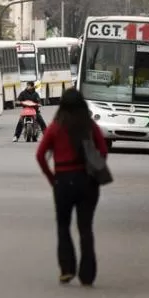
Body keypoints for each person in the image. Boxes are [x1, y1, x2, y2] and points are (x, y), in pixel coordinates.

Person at [36, 87, 108, 287]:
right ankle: (87, 275)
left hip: (63, 181)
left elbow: (40, 155)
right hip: (87, 182)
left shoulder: (55, 127)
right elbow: (103, 150)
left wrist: (52, 178)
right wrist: (93, 172)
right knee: (85, 228)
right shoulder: (89, 126)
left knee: (63, 226)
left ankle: (67, 269)